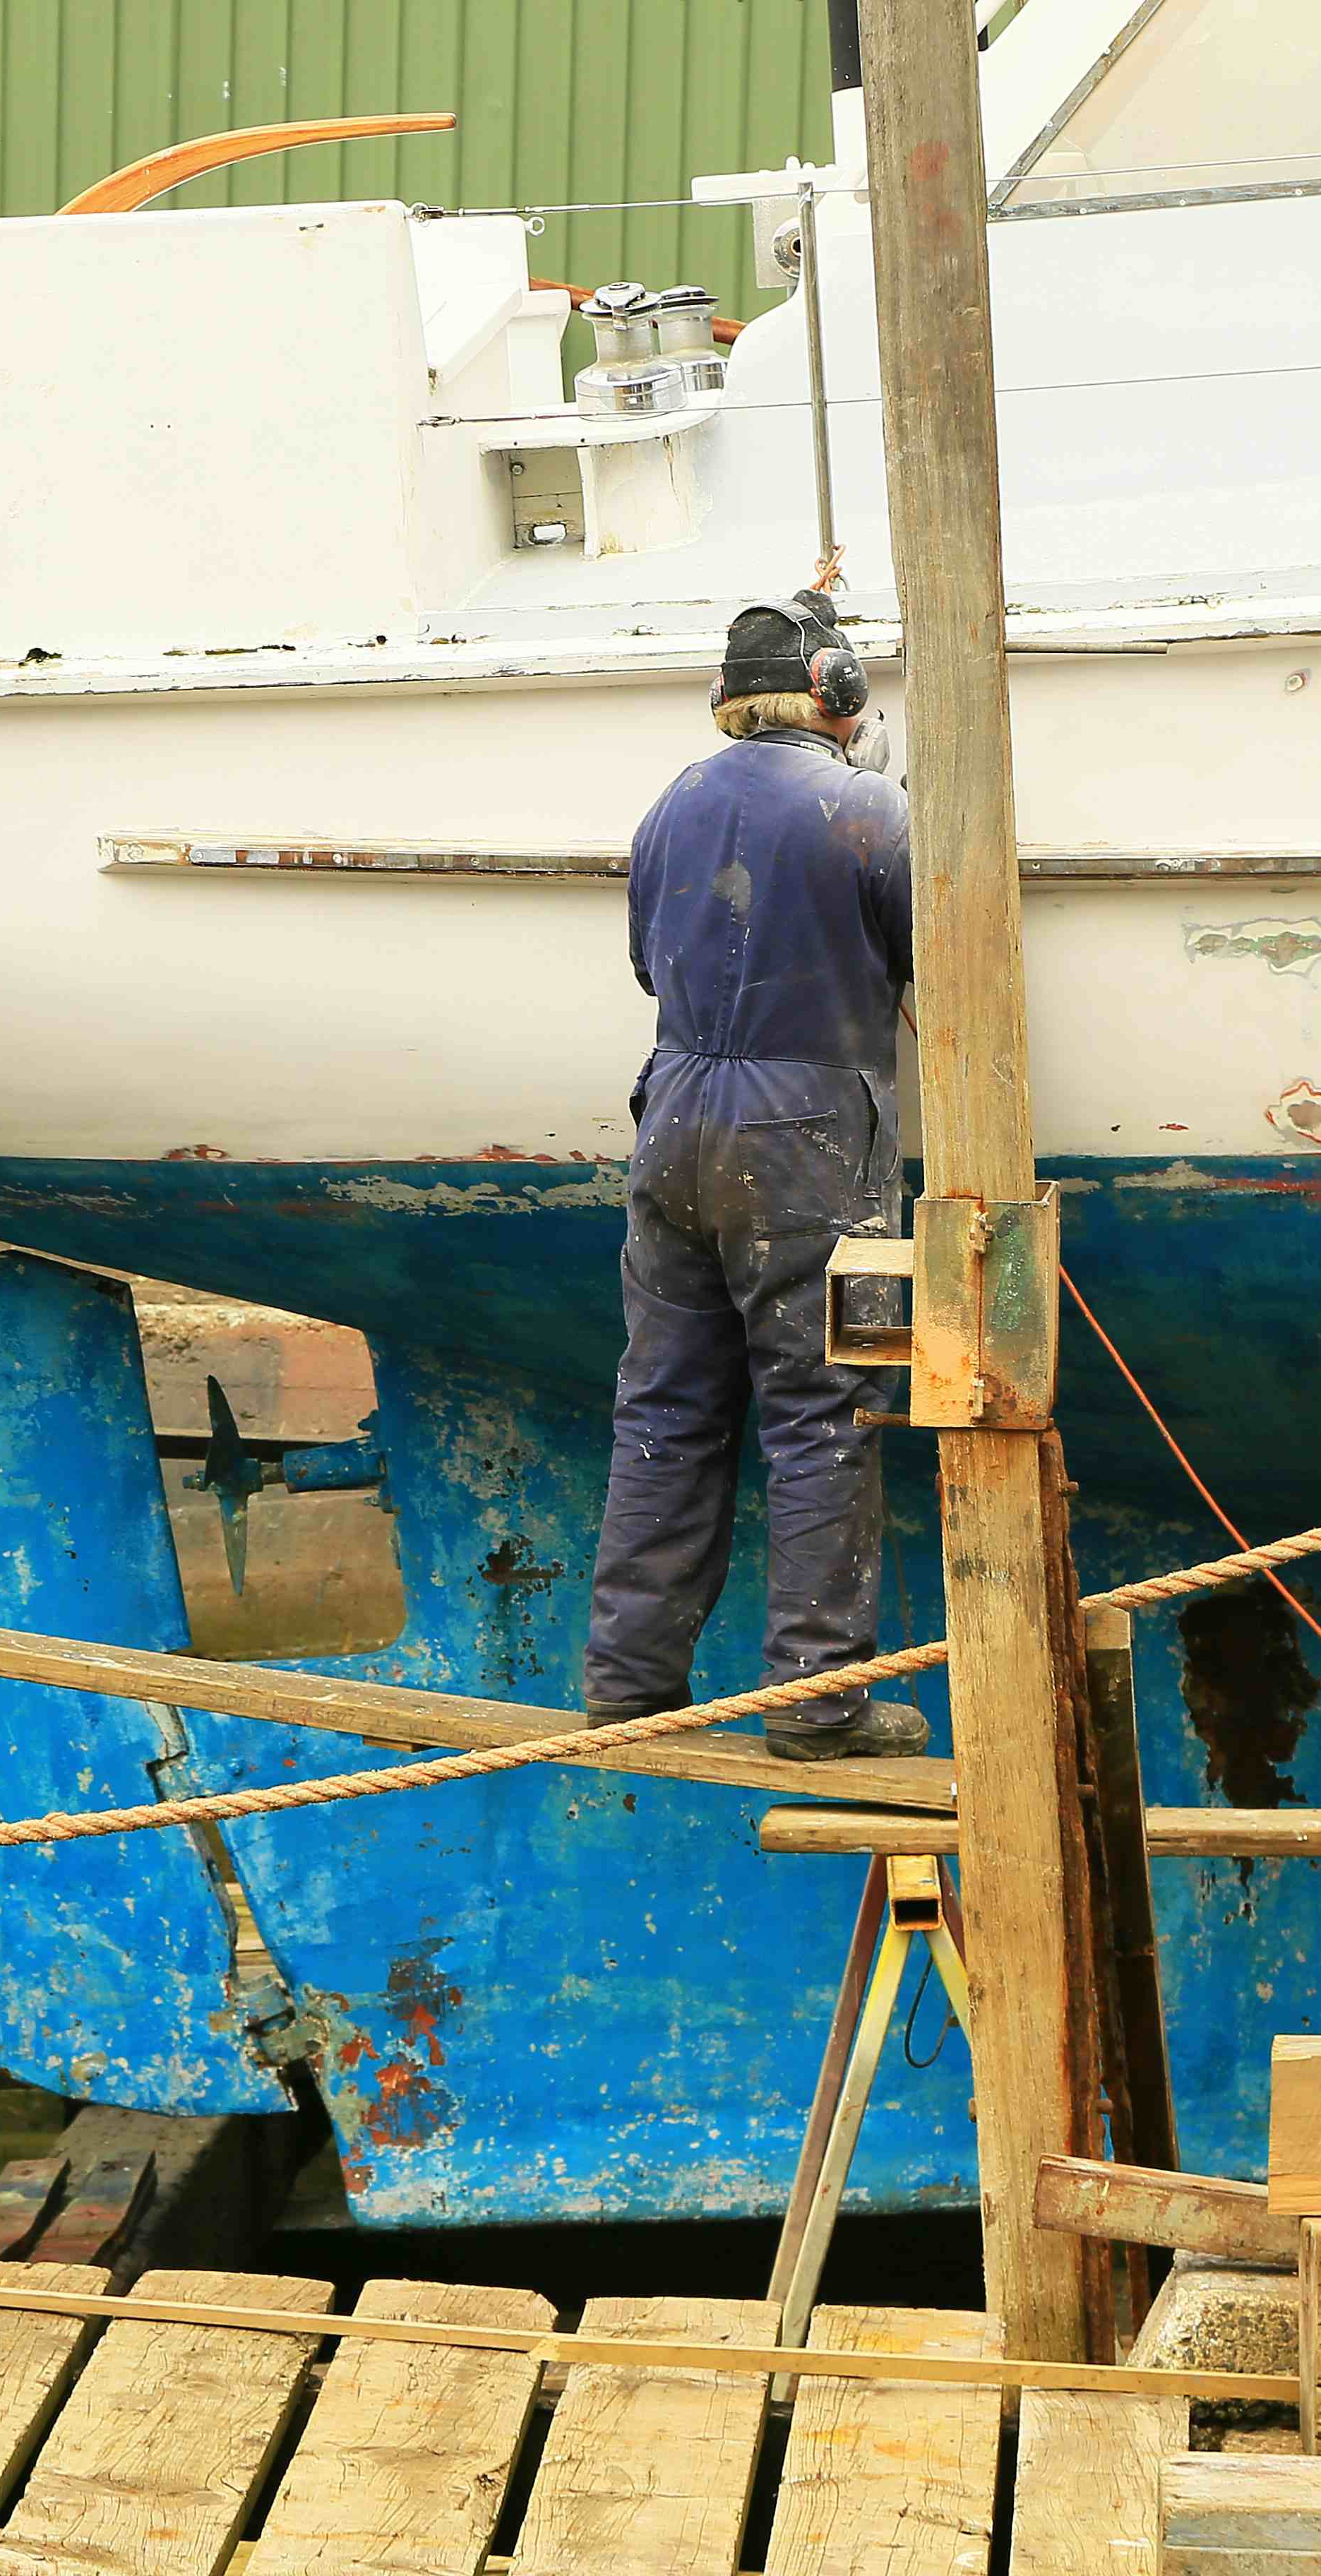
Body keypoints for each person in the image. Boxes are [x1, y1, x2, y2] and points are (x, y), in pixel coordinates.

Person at [580, 593, 930, 1763]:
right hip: (807, 1136)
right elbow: (936, 959)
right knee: (819, 1411)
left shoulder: (672, 802)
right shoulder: (871, 808)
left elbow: (644, 963)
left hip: (675, 1117)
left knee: (666, 1405)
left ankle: (630, 1690)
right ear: (838, 694)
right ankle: (817, 1704)